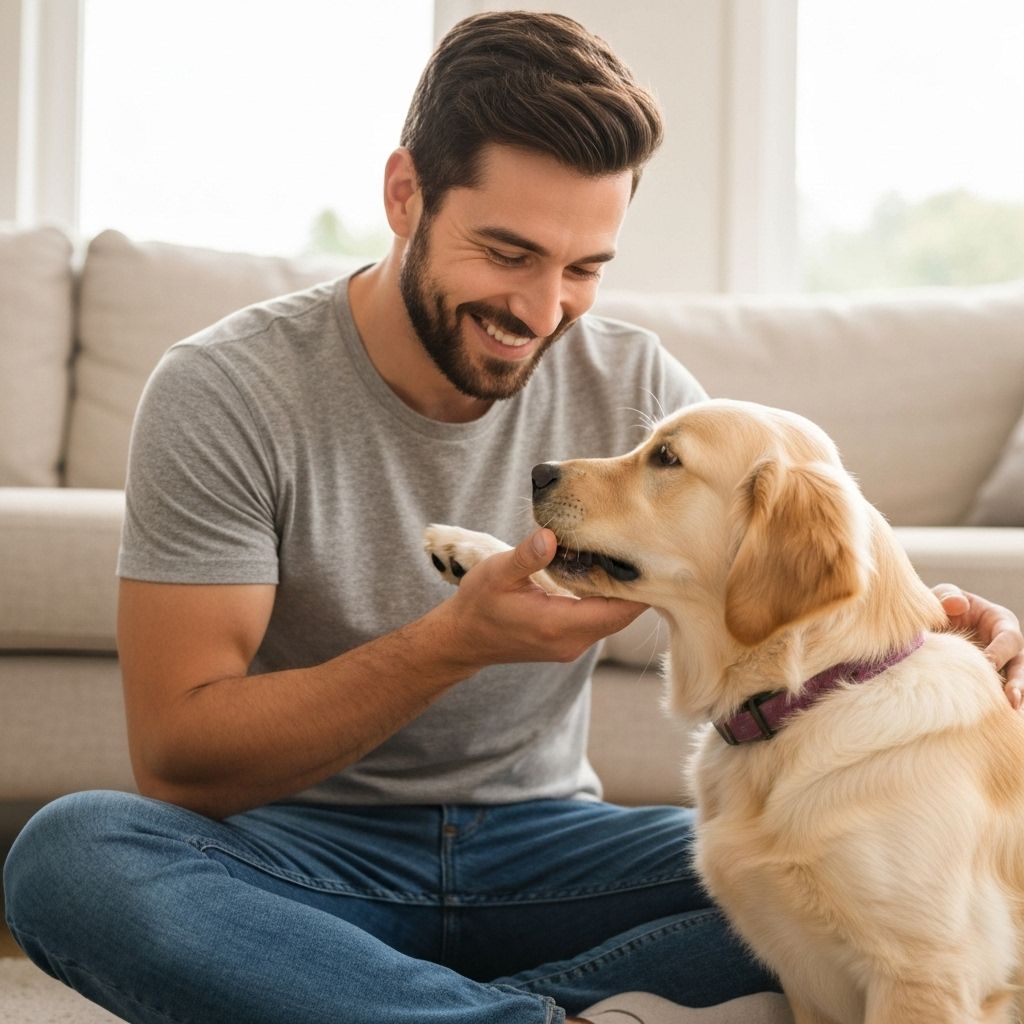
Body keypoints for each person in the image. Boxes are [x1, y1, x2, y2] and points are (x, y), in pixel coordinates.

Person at [4, 12, 1022, 1024]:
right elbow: (178, 759)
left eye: (583, 269)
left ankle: (395, 1008)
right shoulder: (226, 390)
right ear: (405, 195)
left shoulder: (635, 385)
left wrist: (910, 642)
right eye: (507, 253)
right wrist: (450, 645)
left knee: (852, 873)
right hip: (303, 859)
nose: (540, 312)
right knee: (73, 858)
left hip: (556, 855)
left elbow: (760, 582)